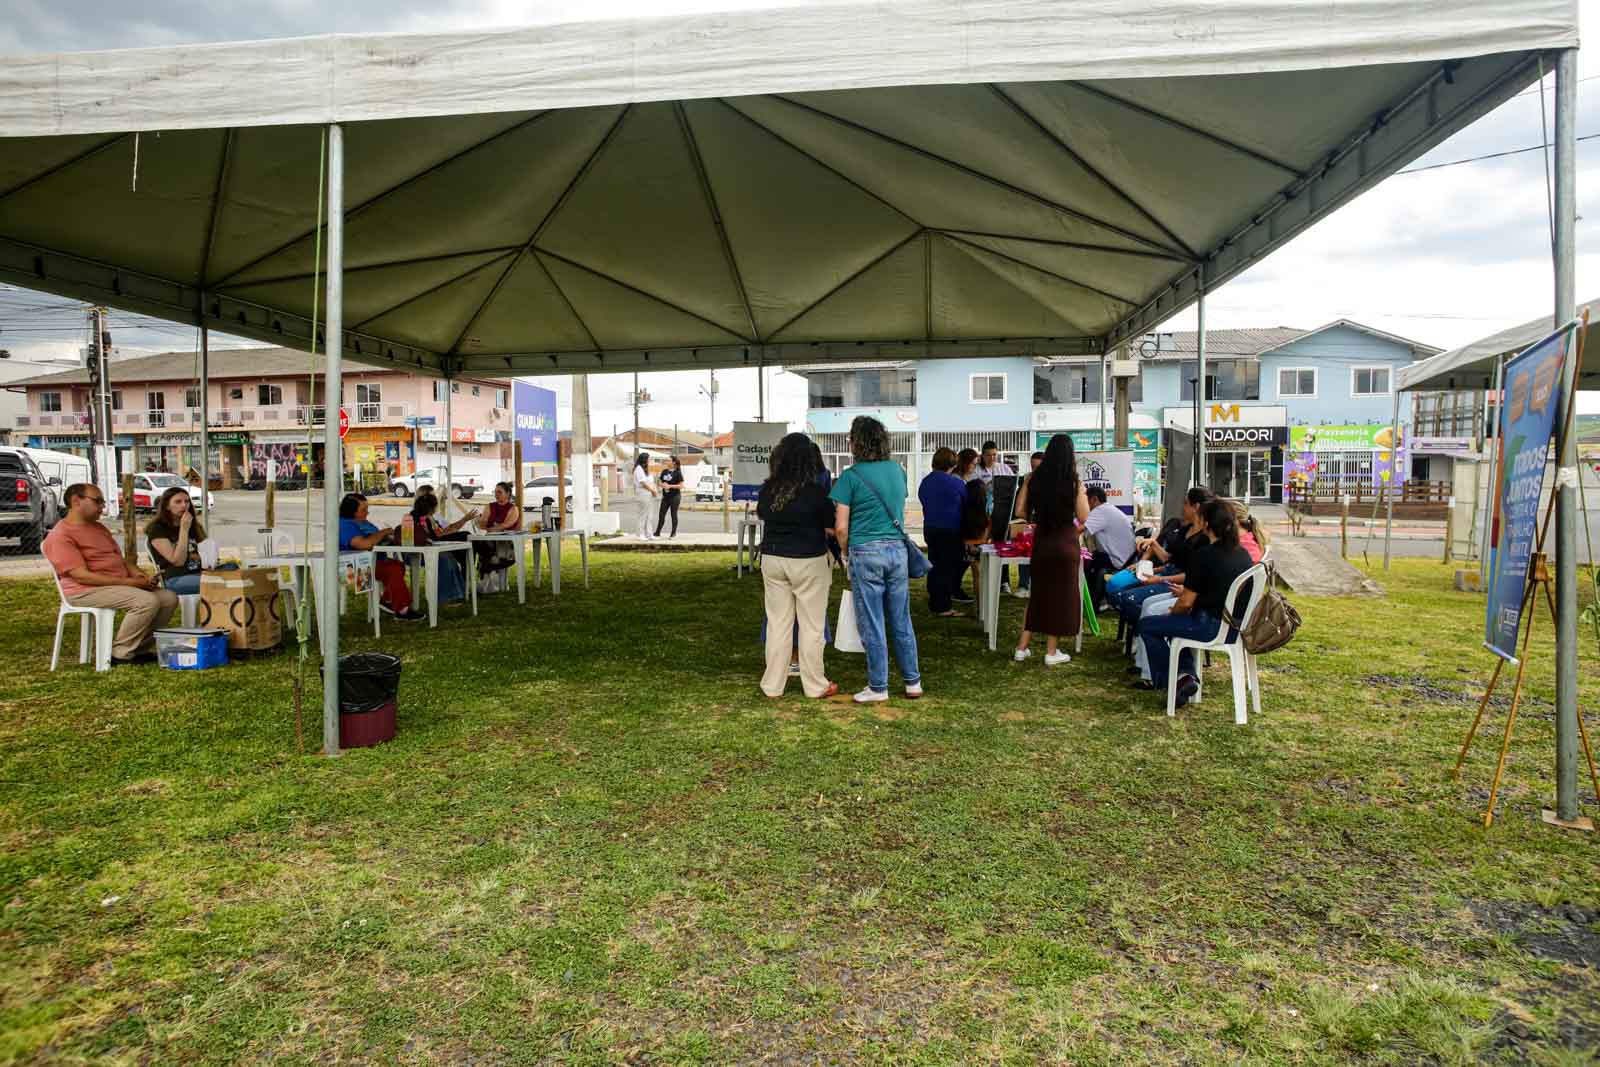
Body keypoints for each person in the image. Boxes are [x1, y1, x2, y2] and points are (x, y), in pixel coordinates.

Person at [831, 416, 921, 703]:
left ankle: (878, 686)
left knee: (872, 621)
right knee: (901, 618)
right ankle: (913, 682)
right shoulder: (898, 470)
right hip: (897, 550)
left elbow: (841, 527)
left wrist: (844, 553)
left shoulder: (850, 477)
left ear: (856, 443)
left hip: (864, 551)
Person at [43, 483, 178, 665]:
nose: (102, 506)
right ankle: (119, 654)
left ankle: (136, 649)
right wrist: (130, 583)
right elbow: (82, 576)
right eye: (97, 501)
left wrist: (139, 576)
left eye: (103, 502)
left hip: (115, 585)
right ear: (76, 501)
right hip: (84, 590)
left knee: (168, 598)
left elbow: (122, 561)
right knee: (146, 601)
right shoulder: (61, 535)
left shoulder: (98, 528)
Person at [1137, 498, 1255, 705]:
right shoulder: (1243, 554)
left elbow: (1185, 603)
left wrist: (1171, 614)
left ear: (1207, 524)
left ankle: (1174, 680)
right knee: (1171, 627)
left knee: (1147, 625)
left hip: (1207, 625)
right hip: (1235, 626)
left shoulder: (1204, 556)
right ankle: (1185, 676)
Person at [757, 432, 838, 699]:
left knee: (777, 623)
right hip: (809, 560)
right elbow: (831, 526)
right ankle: (815, 685)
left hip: (773, 559)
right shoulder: (816, 492)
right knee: (812, 626)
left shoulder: (769, 489)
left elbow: (762, 514)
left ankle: (772, 685)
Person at [1012, 435, 1090, 665]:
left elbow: (1020, 511)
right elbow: (1084, 516)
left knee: (1038, 595)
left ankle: (1021, 647)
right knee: (1059, 597)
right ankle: (1051, 652)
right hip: (1065, 542)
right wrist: (1081, 493)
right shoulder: (1073, 481)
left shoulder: (1035, 479)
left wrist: (1026, 484)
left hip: (1042, 542)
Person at [338, 492, 423, 620]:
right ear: (352, 512)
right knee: (393, 570)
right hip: (354, 568)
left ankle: (387, 601)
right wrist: (384, 532)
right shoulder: (345, 525)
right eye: (363, 510)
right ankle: (402, 611)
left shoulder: (361, 521)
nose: (367, 513)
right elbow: (364, 544)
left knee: (398, 566)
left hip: (371, 561)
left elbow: (374, 538)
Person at [918, 447, 967, 617]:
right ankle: (943, 606)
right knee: (947, 568)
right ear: (952, 464)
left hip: (930, 528)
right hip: (950, 530)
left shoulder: (925, 482)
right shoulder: (956, 483)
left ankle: (934, 600)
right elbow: (965, 503)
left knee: (934, 564)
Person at [411, 492, 475, 605]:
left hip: (434, 546)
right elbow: (438, 535)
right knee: (463, 542)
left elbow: (443, 531)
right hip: (426, 550)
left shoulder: (427, 518)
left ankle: (461, 590)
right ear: (431, 507)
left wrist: (464, 520)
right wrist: (463, 520)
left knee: (463, 546)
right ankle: (454, 593)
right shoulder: (421, 519)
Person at [1082, 485, 1137, 611]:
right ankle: (1095, 601)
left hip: (1119, 559)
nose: (1084, 506)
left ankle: (1095, 603)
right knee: (1091, 557)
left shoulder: (1100, 511)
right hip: (1126, 556)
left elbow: (1080, 528)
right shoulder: (1107, 509)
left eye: (1085, 502)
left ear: (1094, 499)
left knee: (1087, 563)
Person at [144, 486, 208, 594]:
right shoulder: (157, 528)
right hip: (175, 578)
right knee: (219, 583)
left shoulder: (195, 526)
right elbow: (178, 561)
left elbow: (206, 552)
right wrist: (184, 530)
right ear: (167, 506)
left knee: (234, 572)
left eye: (187, 501)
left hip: (200, 573)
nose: (184, 505)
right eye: (178, 502)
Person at [472, 481, 522, 580]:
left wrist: (489, 527)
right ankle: (490, 560)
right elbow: (482, 524)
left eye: (499, 492)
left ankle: (490, 562)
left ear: (508, 494)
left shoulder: (513, 509)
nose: (496, 495)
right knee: (474, 541)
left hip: (506, 543)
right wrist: (485, 524)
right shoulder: (489, 506)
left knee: (481, 542)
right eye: (495, 492)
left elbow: (505, 525)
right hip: (489, 539)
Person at [1015, 451, 1044, 598]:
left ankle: (1037, 585)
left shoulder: (1053, 484)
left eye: (1038, 467)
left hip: (1046, 526)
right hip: (1030, 522)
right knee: (1025, 551)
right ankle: (1023, 585)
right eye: (1032, 467)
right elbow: (1019, 509)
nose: (1034, 471)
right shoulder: (1027, 481)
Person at [655, 455, 684, 538]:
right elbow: (659, 482)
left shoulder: (677, 472)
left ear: (673, 462)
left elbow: (681, 486)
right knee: (661, 514)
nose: (667, 461)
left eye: (668, 460)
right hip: (665, 497)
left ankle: (673, 533)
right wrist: (662, 484)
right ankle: (657, 532)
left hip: (675, 496)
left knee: (673, 514)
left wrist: (670, 486)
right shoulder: (664, 471)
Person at [632, 452, 657, 539]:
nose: (649, 460)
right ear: (644, 459)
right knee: (642, 514)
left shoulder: (646, 469)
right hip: (643, 493)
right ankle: (640, 534)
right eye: (648, 459)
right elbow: (642, 483)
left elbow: (650, 482)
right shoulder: (638, 469)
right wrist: (652, 490)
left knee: (649, 514)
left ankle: (649, 534)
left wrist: (654, 490)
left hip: (649, 494)